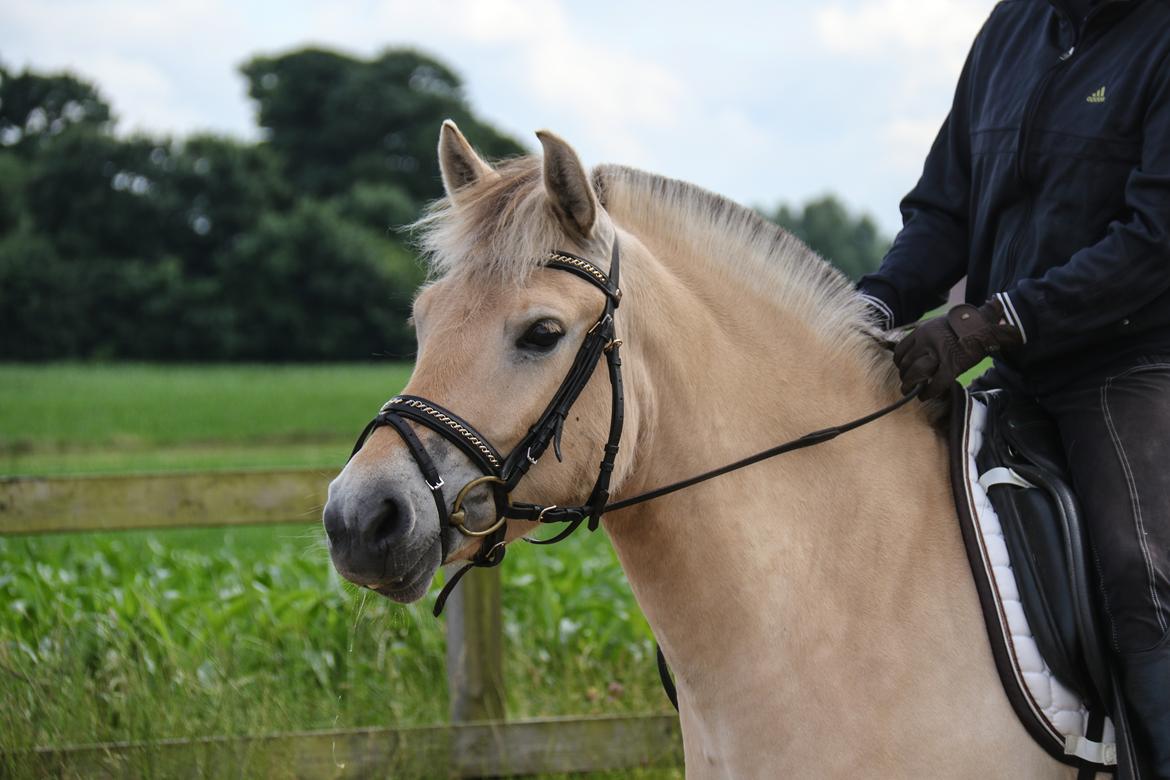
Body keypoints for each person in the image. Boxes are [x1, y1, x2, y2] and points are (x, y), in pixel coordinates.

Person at [856, 0, 1170, 775]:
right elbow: (942, 208)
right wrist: (872, 306)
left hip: (1129, 366)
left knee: (1140, 571)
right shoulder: (1011, 27)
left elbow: (1154, 240)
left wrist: (991, 322)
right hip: (1010, 364)